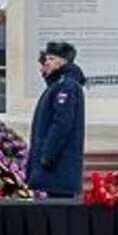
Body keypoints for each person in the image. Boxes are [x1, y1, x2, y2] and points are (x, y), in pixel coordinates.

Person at [29, 40, 87, 199]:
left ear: (63, 61)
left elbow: (62, 123)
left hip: (57, 167)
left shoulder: (66, 86)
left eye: (51, 59)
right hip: (54, 170)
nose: (46, 63)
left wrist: (48, 155)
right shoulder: (57, 85)